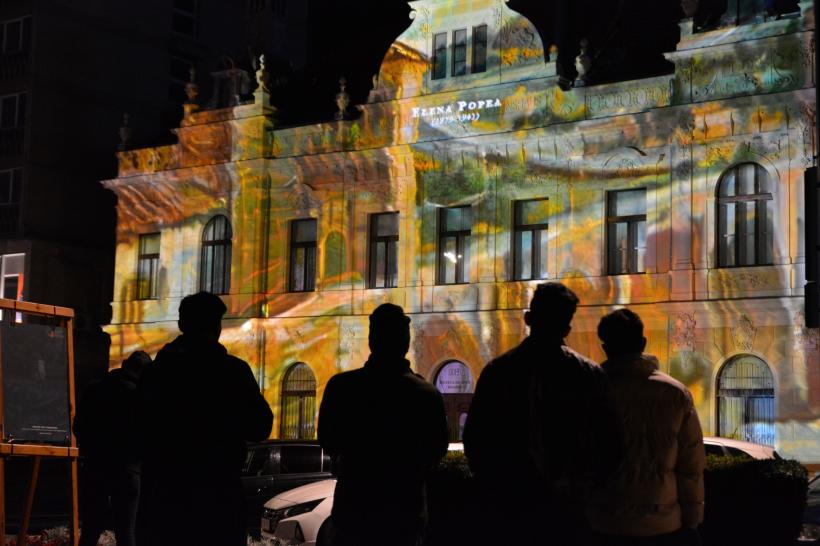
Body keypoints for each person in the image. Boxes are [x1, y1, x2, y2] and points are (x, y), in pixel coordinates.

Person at [463, 282, 617, 546]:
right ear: (567, 328)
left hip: (512, 509)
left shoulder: (498, 373)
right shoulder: (588, 375)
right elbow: (610, 446)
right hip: (569, 513)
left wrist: (499, 488)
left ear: (528, 319)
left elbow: (476, 443)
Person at [138, 292, 273, 546]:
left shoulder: (157, 374)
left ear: (181, 324)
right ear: (216, 327)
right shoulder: (233, 371)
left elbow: (139, 432)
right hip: (219, 496)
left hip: (168, 497)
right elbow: (261, 425)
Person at [317, 303, 448, 546]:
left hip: (354, 512)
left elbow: (328, 439)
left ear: (371, 340)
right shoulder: (426, 394)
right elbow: (436, 450)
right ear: (405, 342)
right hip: (404, 515)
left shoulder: (342, 388)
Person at [588, 309, 705, 546]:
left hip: (605, 522)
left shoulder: (589, 391)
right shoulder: (675, 393)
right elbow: (691, 465)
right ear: (643, 343)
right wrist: (692, 520)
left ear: (605, 348)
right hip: (663, 524)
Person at [74, 350, 152, 546]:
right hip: (127, 470)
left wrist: (91, 448)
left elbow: (78, 426)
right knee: (126, 532)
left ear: (124, 365)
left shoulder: (95, 390)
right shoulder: (139, 397)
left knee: (90, 530)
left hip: (95, 467)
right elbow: (148, 434)